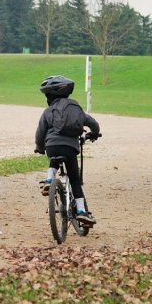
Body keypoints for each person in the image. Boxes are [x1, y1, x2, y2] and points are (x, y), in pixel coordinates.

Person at [34, 75, 101, 225]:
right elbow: (93, 123)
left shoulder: (48, 111)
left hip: (52, 146)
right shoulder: (75, 108)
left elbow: (40, 131)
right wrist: (94, 133)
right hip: (70, 148)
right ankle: (82, 211)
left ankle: (49, 180)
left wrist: (39, 147)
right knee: (75, 180)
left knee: (54, 158)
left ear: (49, 96)